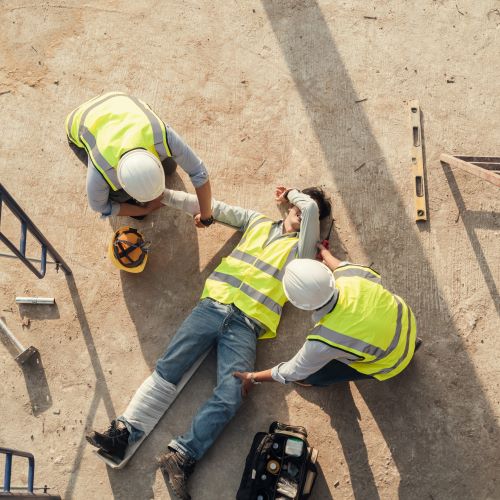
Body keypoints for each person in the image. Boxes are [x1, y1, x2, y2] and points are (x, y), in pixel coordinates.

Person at [86, 186, 331, 500]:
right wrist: (159, 192)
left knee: (232, 395)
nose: (299, 217)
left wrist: (294, 195)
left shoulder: (304, 250)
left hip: (247, 326)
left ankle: (181, 456)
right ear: (287, 210)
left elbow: (310, 209)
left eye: (303, 214)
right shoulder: (256, 222)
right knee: (167, 370)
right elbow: (211, 206)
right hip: (212, 306)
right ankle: (121, 433)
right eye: (295, 211)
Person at [234, 243, 420, 392]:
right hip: (408, 326)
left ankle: (402, 356)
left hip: (390, 362)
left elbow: (291, 371)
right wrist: (325, 252)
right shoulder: (353, 277)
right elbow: (340, 266)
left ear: (299, 304)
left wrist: (252, 377)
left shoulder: (324, 339)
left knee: (311, 375)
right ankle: (411, 345)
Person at [65, 91, 213, 225]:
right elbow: (100, 206)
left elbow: (199, 172)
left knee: (170, 167)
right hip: (78, 121)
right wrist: (145, 210)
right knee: (119, 196)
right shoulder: (101, 170)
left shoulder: (160, 135)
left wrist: (207, 216)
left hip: (116, 99)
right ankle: (128, 198)